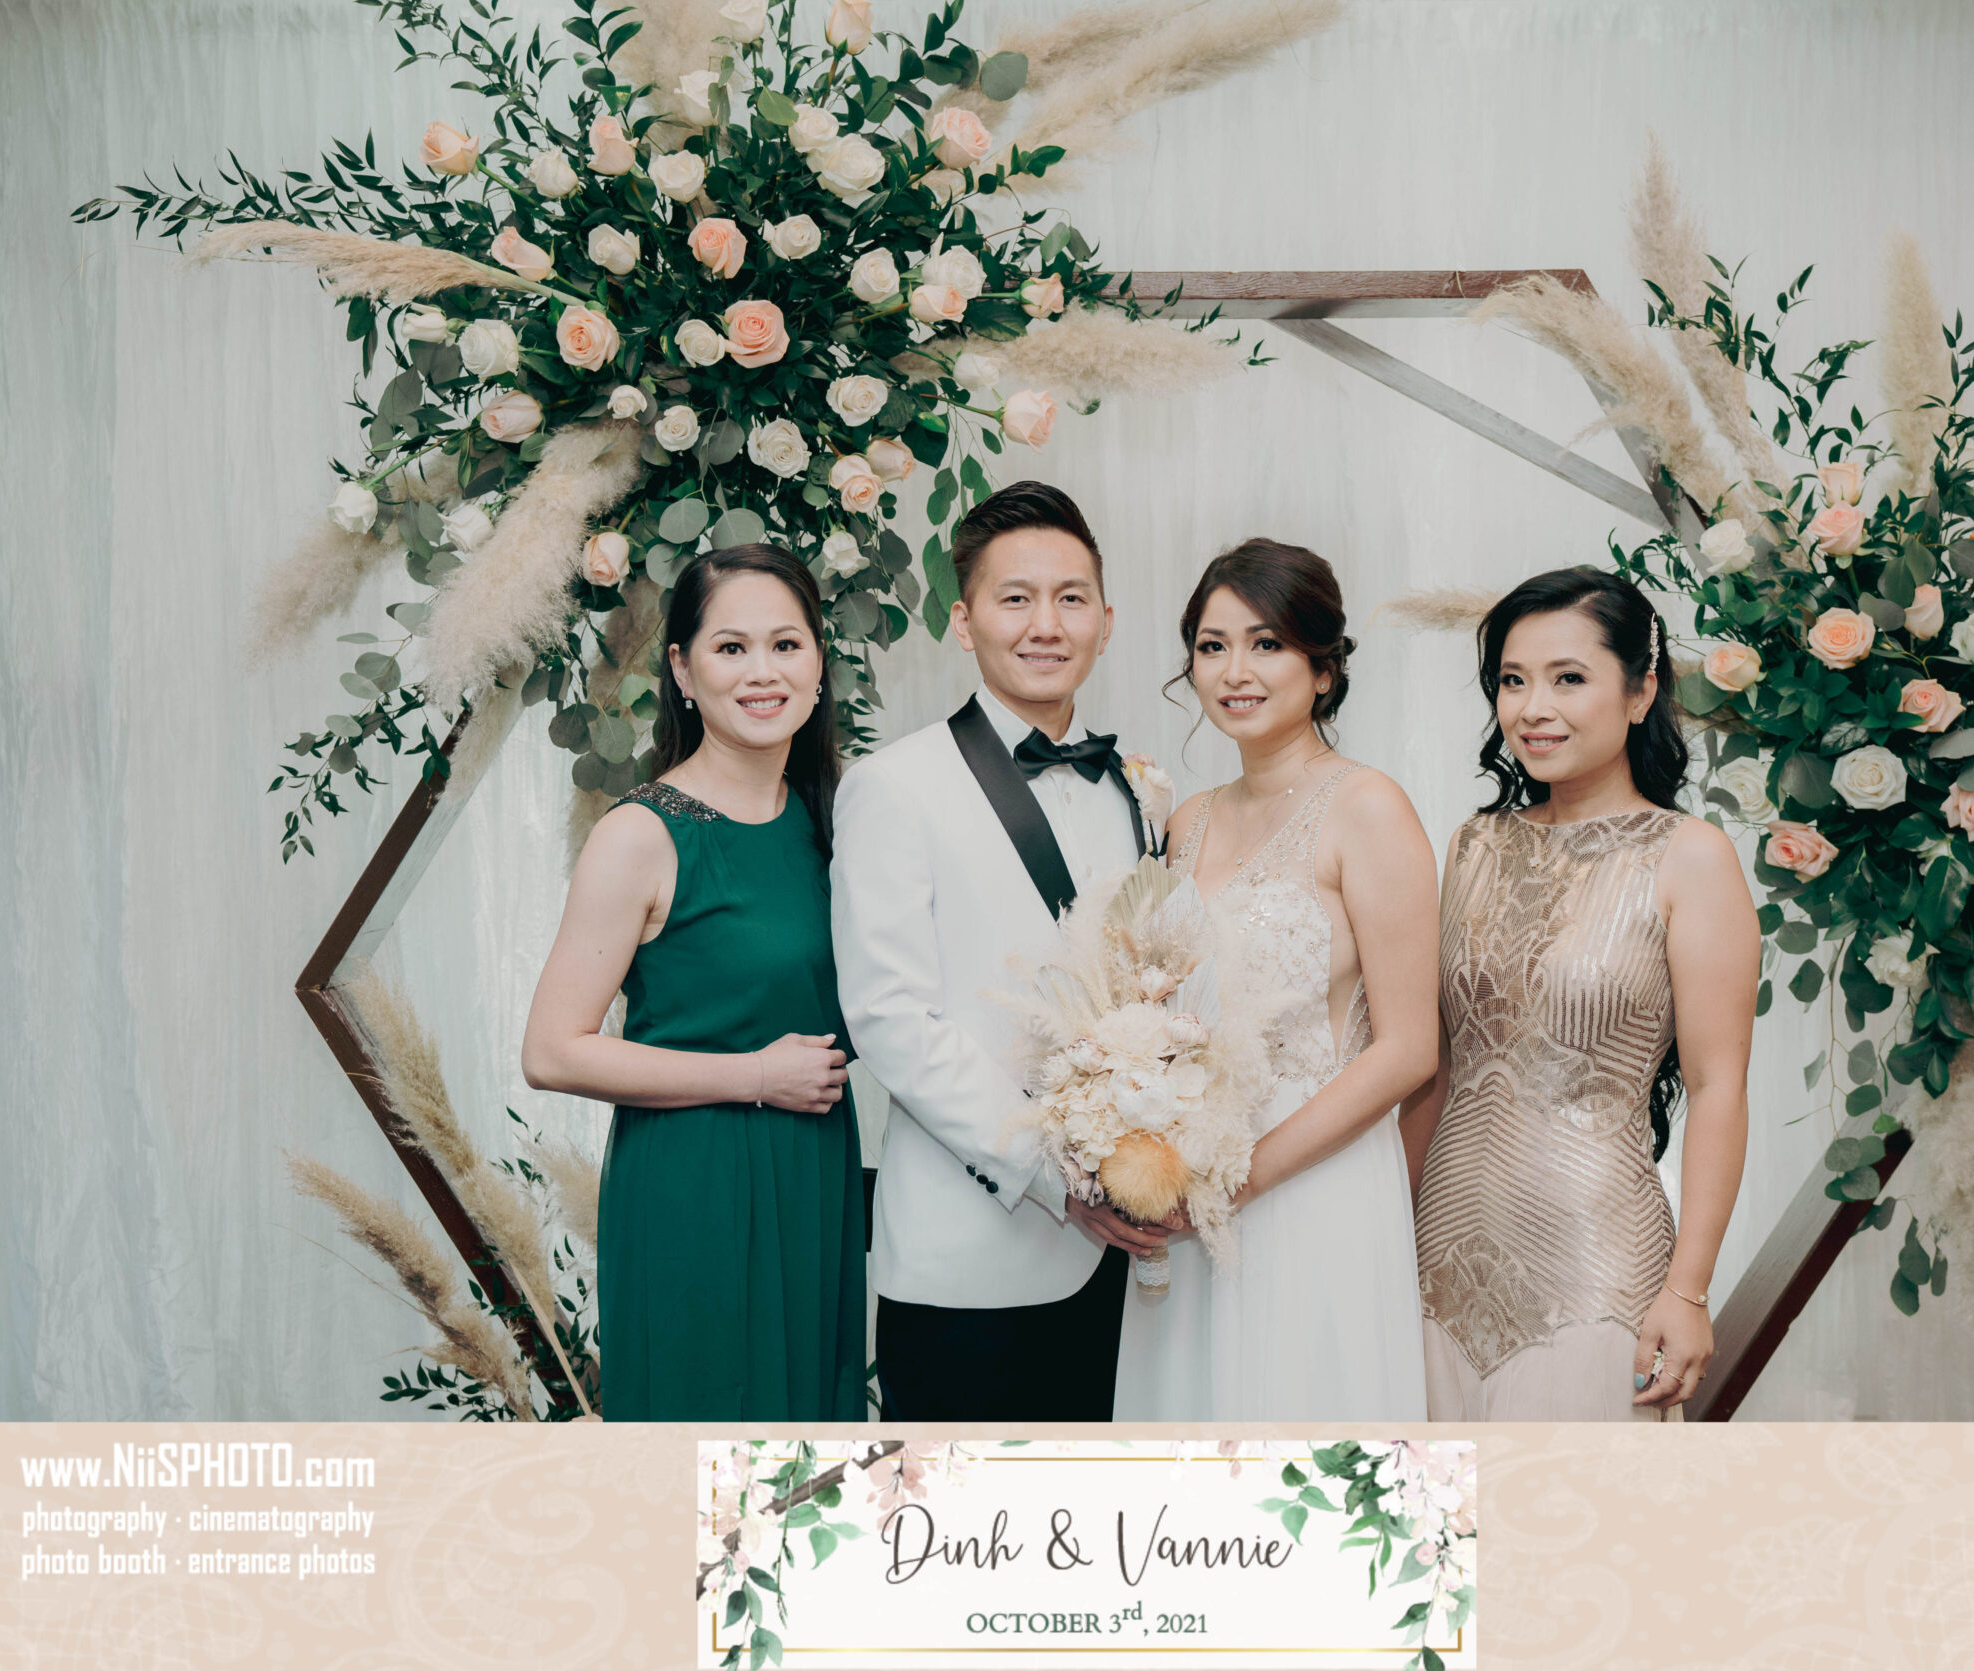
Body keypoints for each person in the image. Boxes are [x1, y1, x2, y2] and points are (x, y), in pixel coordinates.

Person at [830, 482, 1164, 1422]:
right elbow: (892, 1021)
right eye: (1016, 598)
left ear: (1106, 621)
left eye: (1071, 598)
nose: (1045, 624)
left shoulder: (1135, 787)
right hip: (969, 1264)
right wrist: (1061, 1177)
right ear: (963, 619)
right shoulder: (893, 785)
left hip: (1128, 1266)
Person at [520, 544, 867, 1422]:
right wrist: (755, 1075)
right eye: (731, 648)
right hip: (697, 1183)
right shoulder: (641, 835)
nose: (763, 672)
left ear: (819, 663)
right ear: (682, 669)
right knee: (707, 1453)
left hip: (812, 1176)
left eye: (786, 645)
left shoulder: (836, 820)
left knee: (806, 1456)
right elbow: (552, 1051)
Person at [1403, 567, 1758, 1421]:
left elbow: (1718, 1086)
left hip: (1597, 1274)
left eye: (1568, 678)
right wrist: (1383, 1242)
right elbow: (1437, 1070)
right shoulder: (1473, 844)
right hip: (1436, 1265)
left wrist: (1690, 1290)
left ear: (1641, 692)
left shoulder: (1691, 856)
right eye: (1512, 680)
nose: (1533, 708)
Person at [1113, 539, 1436, 1422]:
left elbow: (1410, 1048)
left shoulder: (1368, 806)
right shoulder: (1187, 819)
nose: (1235, 671)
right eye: (1212, 646)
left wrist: (1241, 1178)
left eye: (1266, 644)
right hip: (1185, 1189)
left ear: (1322, 669)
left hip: (1311, 1180)